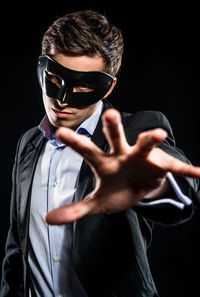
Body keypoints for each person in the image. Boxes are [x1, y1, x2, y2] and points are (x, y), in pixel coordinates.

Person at [1, 10, 200, 297]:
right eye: (54, 80)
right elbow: (17, 249)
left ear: (109, 87)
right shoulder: (28, 144)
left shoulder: (132, 134)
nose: (62, 100)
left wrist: (150, 180)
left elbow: (179, 191)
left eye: (83, 85)